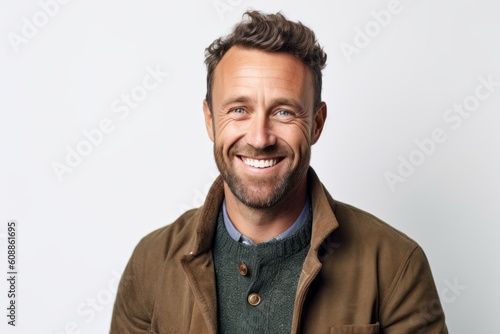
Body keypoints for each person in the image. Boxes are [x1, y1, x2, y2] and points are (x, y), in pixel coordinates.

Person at [110, 10, 447, 333]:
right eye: (239, 110)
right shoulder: (150, 263)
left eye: (284, 112)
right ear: (210, 120)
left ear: (316, 124)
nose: (260, 138)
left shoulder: (396, 265)